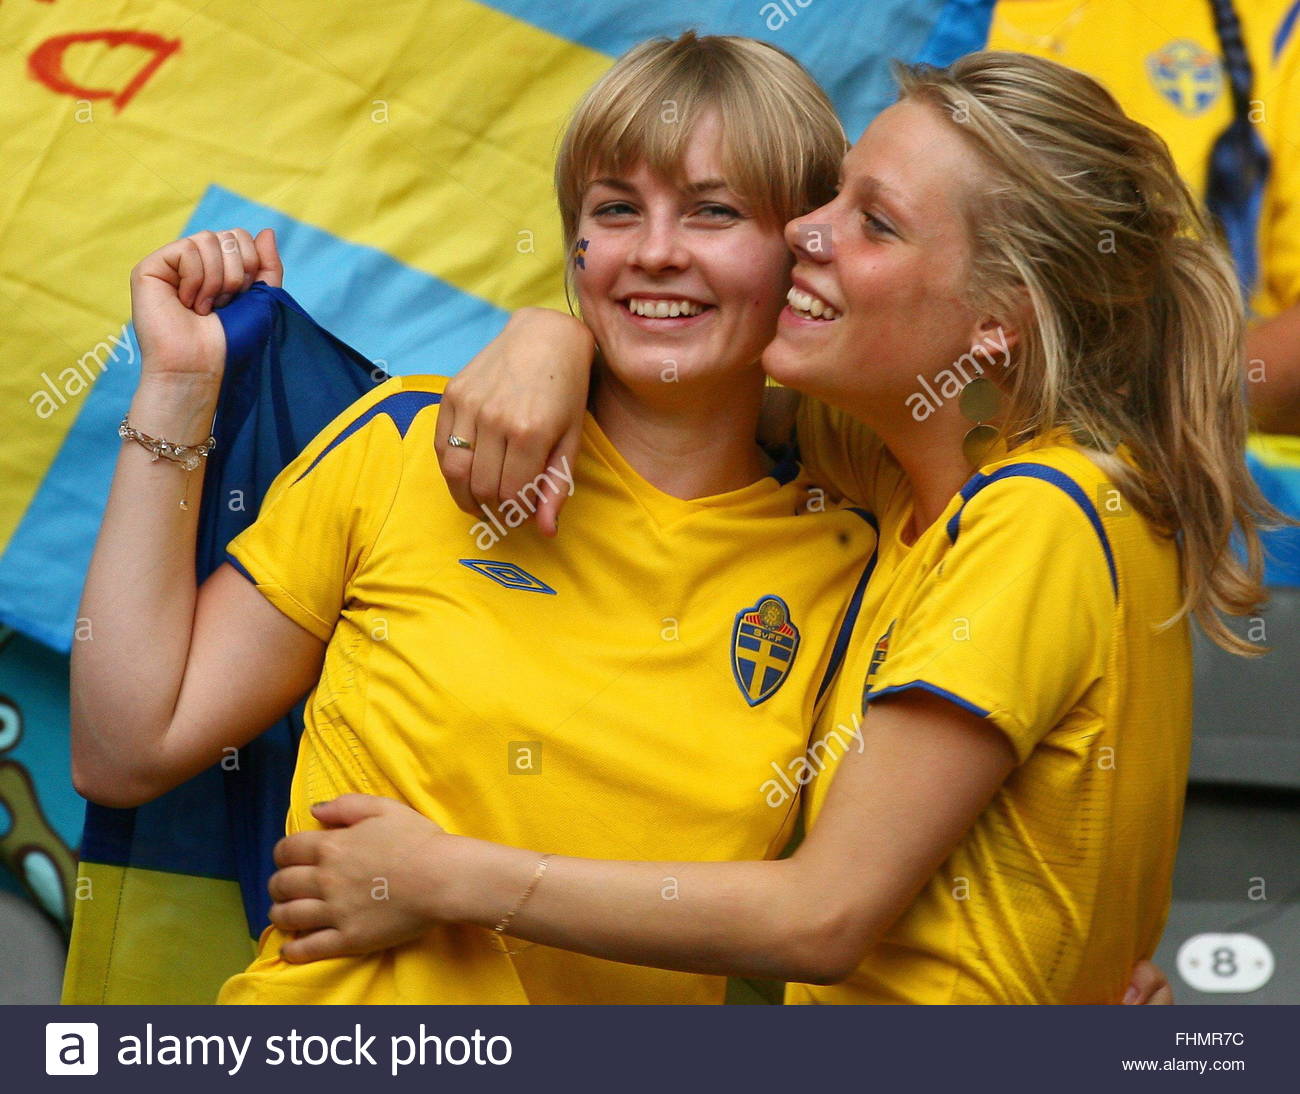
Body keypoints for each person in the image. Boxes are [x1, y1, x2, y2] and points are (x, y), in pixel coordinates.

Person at [266, 50, 1275, 1003]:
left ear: (996, 320)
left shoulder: (1036, 518)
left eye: (874, 222)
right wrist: (551, 334)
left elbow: (822, 916)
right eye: (834, 195)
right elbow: (692, 383)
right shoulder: (904, 472)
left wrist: (444, 876)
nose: (805, 232)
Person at [69, 32, 881, 1005]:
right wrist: (179, 384)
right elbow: (124, 748)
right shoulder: (407, 443)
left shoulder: (850, 547)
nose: (655, 250)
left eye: (713, 211)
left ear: (803, 252)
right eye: (616, 208)